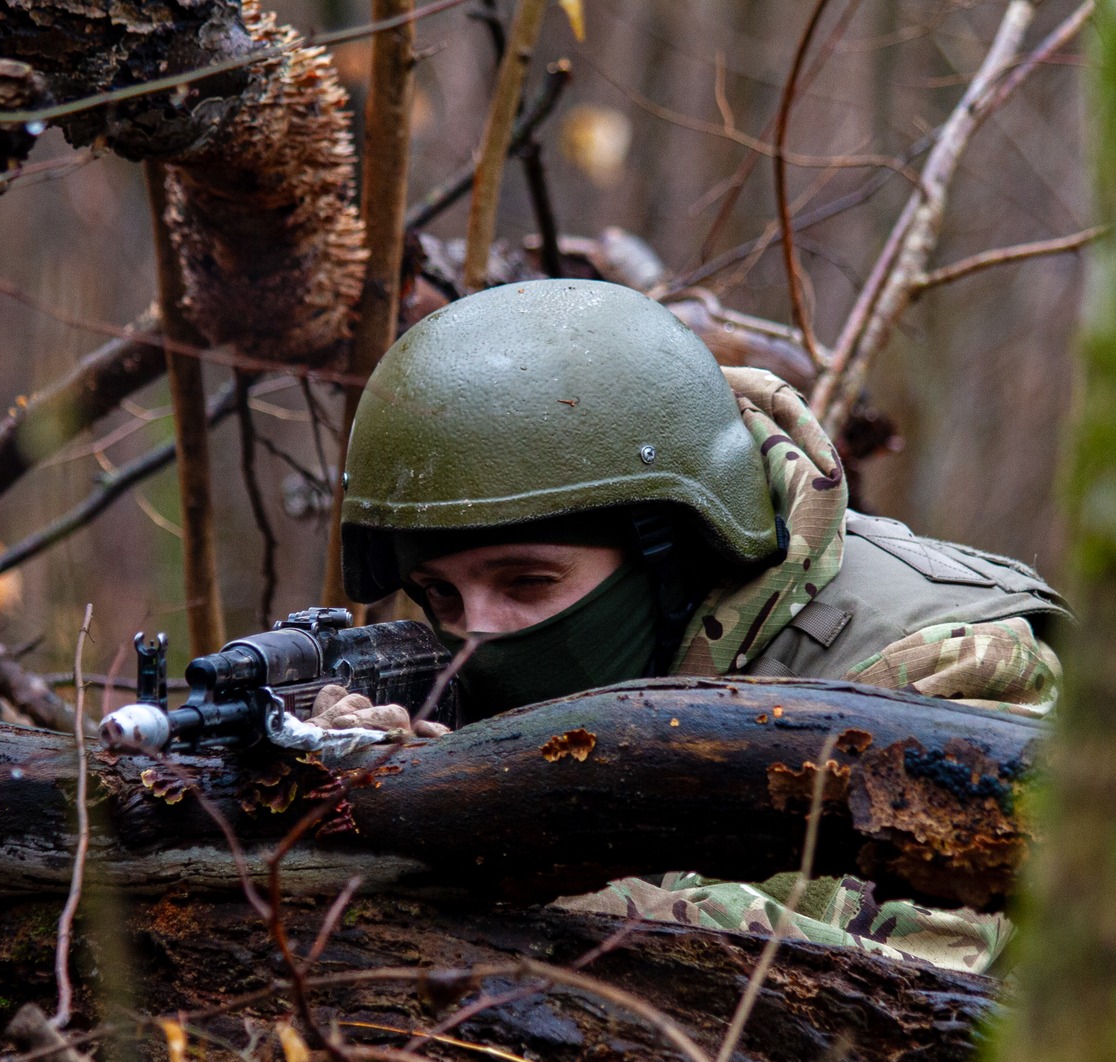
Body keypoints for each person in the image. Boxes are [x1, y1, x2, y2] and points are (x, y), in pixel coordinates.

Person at [311, 279, 1070, 972]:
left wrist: (487, 852)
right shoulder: (488, 651)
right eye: (439, 595)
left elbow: (900, 988)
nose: (478, 633)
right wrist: (361, 788)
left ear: (672, 553)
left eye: (527, 582)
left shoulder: (954, 663)